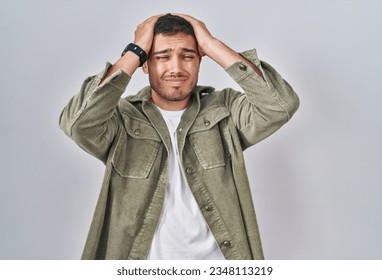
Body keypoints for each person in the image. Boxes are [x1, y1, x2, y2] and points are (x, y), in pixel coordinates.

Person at [59, 13, 299, 260]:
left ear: (199, 61)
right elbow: (78, 124)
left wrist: (211, 45)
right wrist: (135, 50)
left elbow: (280, 106)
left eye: (188, 56)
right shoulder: (121, 118)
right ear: (145, 64)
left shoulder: (225, 110)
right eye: (162, 57)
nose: (176, 68)